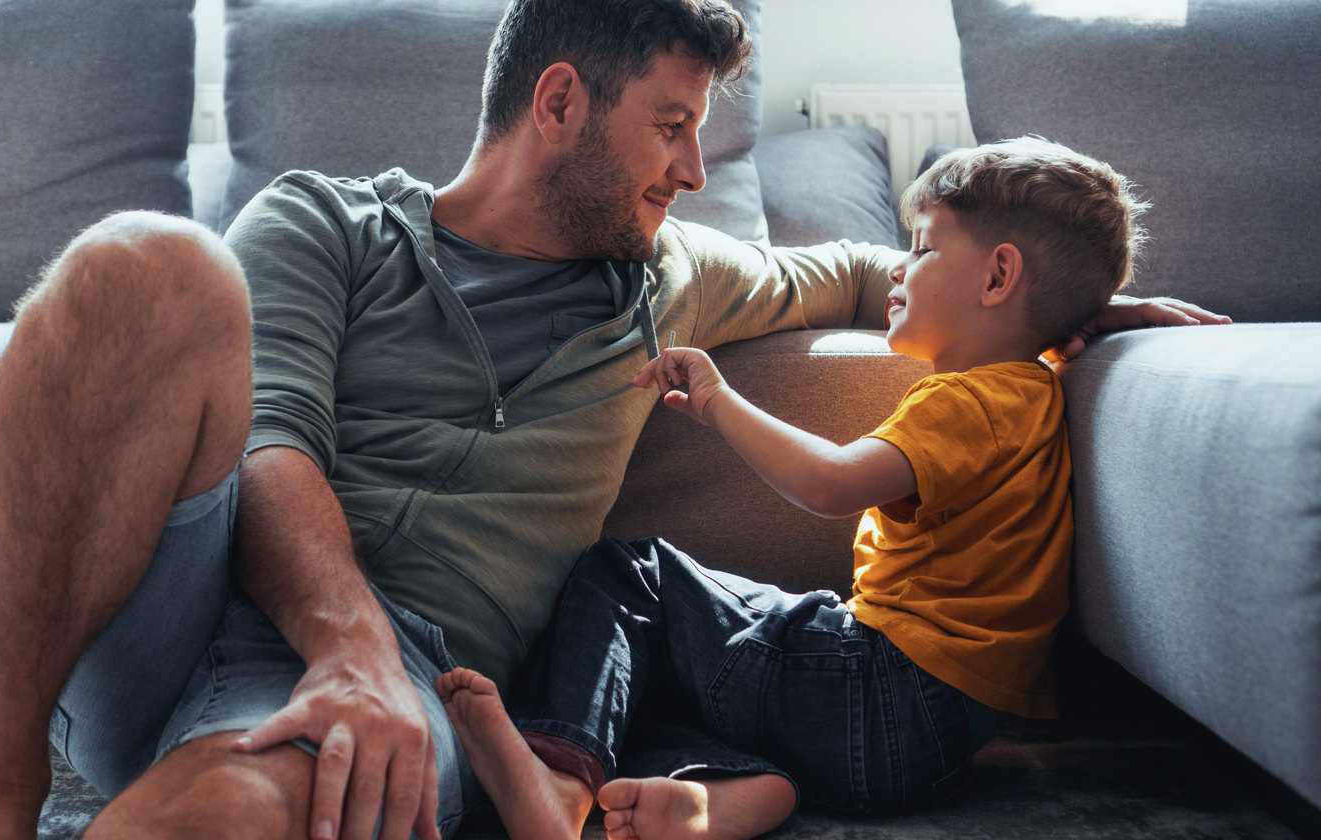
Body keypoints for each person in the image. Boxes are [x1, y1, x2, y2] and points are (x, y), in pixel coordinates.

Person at [0, 0, 1223, 835]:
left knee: (232, 810)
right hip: (190, 602)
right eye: (669, 127)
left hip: (411, 675)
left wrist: (1070, 308)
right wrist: (345, 642)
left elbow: (855, 277)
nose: (687, 167)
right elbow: (271, 436)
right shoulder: (326, 221)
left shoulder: (673, 275)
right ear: (557, 105)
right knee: (146, 259)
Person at [432, 136, 1184, 840]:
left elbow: (829, 483)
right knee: (693, 657)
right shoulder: (1037, 388)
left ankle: (557, 773)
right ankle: (734, 792)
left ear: (998, 276)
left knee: (631, 575)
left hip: (879, 691)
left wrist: (720, 402)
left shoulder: (969, 401)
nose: (898, 267)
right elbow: (1043, 325)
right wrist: (1084, 310)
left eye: (922, 250)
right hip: (939, 744)